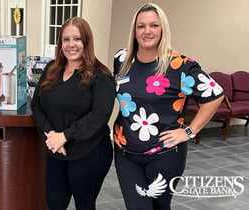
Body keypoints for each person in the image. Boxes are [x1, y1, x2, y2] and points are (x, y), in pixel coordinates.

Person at [112, 3, 224, 210]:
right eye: (141, 26)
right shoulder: (122, 59)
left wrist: (189, 131)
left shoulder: (180, 66)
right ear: (134, 30)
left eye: (154, 25)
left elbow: (215, 94)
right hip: (125, 152)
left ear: (162, 29)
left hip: (164, 155)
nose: (147, 31)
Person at [31, 17, 115, 210]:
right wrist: (52, 135)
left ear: (86, 41)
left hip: (89, 152)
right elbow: (36, 103)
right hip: (56, 149)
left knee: (84, 204)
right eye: (66, 39)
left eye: (77, 39)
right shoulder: (52, 69)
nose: (71, 45)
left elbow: (99, 115)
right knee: (54, 203)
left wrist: (65, 136)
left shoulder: (100, 76)